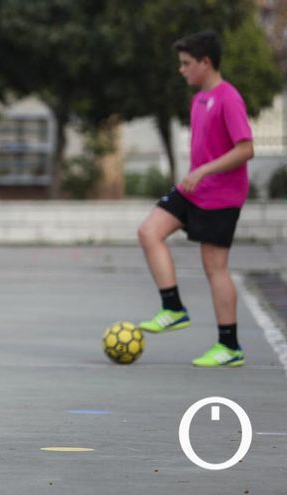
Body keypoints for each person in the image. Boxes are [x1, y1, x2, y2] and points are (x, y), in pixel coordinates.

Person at [137, 31, 254, 368]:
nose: (182, 70)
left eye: (187, 64)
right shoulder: (199, 99)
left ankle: (229, 346)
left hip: (221, 195)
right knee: (149, 232)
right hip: (194, 189)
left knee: (215, 269)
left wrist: (203, 171)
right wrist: (195, 175)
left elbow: (246, 148)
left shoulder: (228, 98)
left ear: (206, 63)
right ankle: (173, 308)